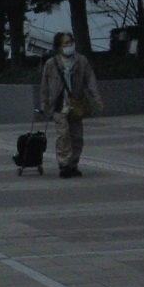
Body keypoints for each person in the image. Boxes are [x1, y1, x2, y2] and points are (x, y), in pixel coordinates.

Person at [40, 32, 104, 178]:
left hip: (76, 104)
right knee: (63, 135)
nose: (69, 45)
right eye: (65, 43)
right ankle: (63, 165)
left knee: (77, 137)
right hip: (58, 105)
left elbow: (90, 80)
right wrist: (44, 103)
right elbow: (44, 86)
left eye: (70, 42)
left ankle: (73, 164)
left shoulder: (81, 61)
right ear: (59, 46)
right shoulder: (51, 64)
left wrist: (97, 98)